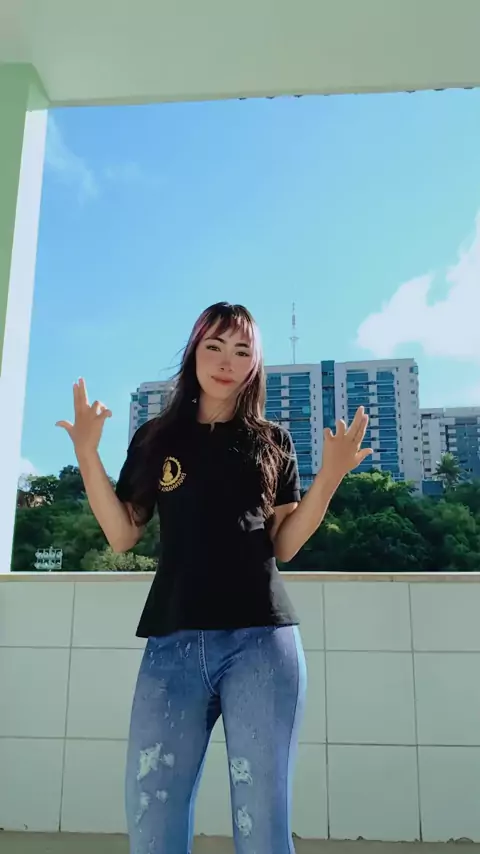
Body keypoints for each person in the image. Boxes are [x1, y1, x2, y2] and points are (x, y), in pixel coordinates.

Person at [57, 302, 372, 854]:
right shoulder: (157, 438)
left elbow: (285, 544)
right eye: (215, 346)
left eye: (242, 351)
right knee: (152, 817)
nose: (227, 361)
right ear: (194, 353)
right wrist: (87, 454)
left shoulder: (272, 440)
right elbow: (123, 533)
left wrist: (331, 475)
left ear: (255, 364)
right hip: (172, 643)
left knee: (262, 822)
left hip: (261, 642)